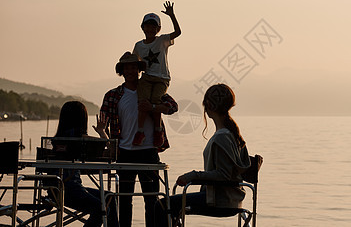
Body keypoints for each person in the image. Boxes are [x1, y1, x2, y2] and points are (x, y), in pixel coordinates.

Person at [99, 52, 178, 227]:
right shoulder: (113, 95)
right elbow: (103, 121)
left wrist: (154, 106)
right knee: (124, 200)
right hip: (124, 153)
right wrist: (102, 134)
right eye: (127, 67)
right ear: (122, 70)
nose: (130, 71)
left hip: (149, 151)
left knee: (152, 200)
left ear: (139, 70)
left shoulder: (151, 91)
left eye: (134, 67)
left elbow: (173, 107)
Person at [155, 84, 251, 225]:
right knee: (172, 204)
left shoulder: (222, 137)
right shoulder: (234, 135)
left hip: (219, 200)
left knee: (162, 205)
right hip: (233, 200)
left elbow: (223, 175)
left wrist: (192, 176)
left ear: (208, 106)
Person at [52, 101, 119, 227]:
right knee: (101, 208)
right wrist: (101, 131)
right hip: (70, 191)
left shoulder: (58, 139)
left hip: (57, 189)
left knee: (109, 197)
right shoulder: (77, 138)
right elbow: (109, 149)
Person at [132, 0, 181, 147]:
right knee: (143, 103)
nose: (150, 29)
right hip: (146, 77)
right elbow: (136, 62)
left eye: (153, 27)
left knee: (155, 102)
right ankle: (140, 131)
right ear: (143, 28)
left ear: (158, 29)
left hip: (162, 78)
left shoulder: (162, 40)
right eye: (147, 26)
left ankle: (158, 130)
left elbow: (178, 32)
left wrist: (172, 16)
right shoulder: (139, 45)